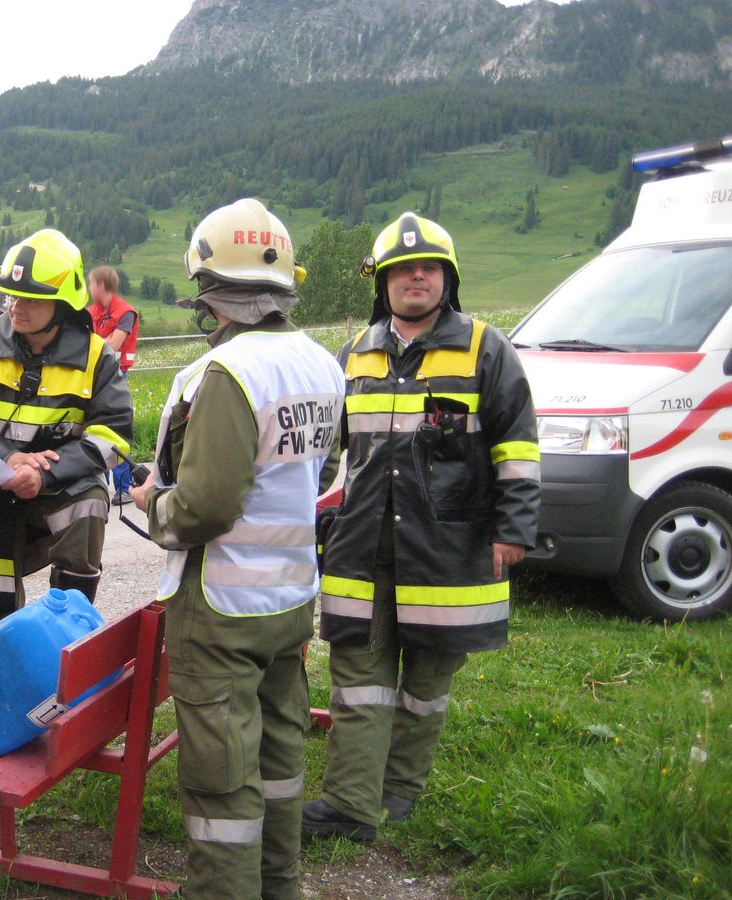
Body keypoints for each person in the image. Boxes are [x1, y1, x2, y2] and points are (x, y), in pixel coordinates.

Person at [129, 198, 345, 899]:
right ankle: (280, 886)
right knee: (281, 761)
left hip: (220, 609)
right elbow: (325, 474)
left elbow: (205, 508)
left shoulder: (225, 375)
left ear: (209, 290)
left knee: (222, 787)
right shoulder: (319, 364)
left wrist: (152, 503)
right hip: (289, 600)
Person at [302, 212, 540, 843]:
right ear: (381, 283)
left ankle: (399, 789)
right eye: (401, 269)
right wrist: (295, 508)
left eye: (428, 267)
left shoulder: (488, 350)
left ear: (448, 278)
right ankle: (352, 805)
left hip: (447, 550)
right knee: (358, 678)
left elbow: (516, 447)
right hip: (363, 548)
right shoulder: (354, 355)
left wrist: (514, 528)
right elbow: (325, 450)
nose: (415, 277)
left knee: (427, 681)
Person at [0, 229, 134, 631]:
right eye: (12, 295)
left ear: (62, 305)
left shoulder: (97, 357)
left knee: (89, 500)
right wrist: (7, 458)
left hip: (56, 486)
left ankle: (67, 629)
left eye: (30, 298)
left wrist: (45, 471)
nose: (15, 306)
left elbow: (113, 434)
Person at [87, 265, 139, 500]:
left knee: (113, 430)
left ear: (102, 286)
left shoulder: (125, 312)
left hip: (117, 376)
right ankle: (98, 483)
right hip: (91, 376)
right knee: (90, 429)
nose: (89, 288)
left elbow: (113, 345)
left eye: (92, 283)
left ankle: (124, 487)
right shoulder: (89, 312)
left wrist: (95, 342)